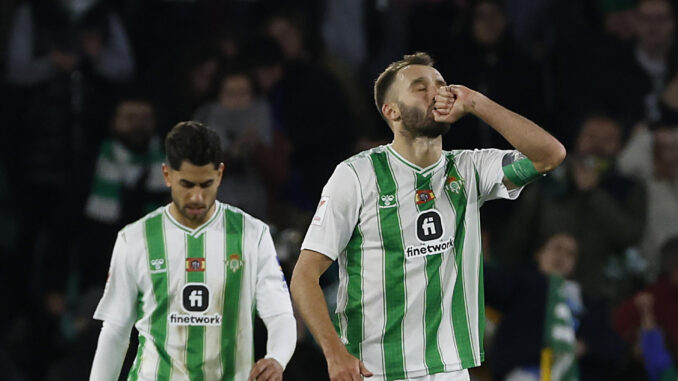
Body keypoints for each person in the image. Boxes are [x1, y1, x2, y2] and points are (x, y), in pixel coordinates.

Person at [290, 52, 566, 381]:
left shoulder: (469, 169)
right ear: (391, 111)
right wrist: (335, 354)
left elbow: (550, 155)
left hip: (451, 368)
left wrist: (477, 102)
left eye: (440, 84)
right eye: (420, 88)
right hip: (377, 369)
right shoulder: (357, 175)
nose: (437, 92)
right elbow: (304, 275)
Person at [89, 122, 296, 380]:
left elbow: (280, 315)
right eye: (187, 184)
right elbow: (116, 331)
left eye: (205, 184)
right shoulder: (135, 238)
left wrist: (277, 358)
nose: (197, 196)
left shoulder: (253, 235)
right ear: (167, 175)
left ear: (220, 174)